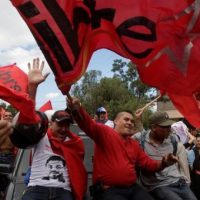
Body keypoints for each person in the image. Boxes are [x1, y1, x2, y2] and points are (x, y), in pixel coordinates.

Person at [67, 97, 178, 200]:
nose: (130, 123)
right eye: (126, 119)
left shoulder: (134, 144)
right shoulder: (105, 132)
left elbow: (148, 164)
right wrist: (77, 109)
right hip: (109, 190)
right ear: (116, 121)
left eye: (132, 121)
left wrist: (164, 162)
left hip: (132, 189)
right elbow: (88, 124)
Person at [9, 58, 87, 200]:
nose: (64, 129)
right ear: (51, 124)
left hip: (64, 192)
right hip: (37, 189)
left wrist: (77, 109)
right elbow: (28, 122)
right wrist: (32, 88)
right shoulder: (40, 136)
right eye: (60, 124)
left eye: (67, 125)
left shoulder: (75, 143)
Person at [133, 111, 197, 200]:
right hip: (158, 185)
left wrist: (186, 181)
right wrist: (137, 121)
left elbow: (183, 162)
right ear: (154, 127)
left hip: (179, 182)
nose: (169, 129)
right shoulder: (141, 140)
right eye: (165, 126)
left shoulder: (173, 140)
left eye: (170, 126)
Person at [188, 133, 200, 200]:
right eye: (198, 141)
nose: (199, 142)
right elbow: (192, 167)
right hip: (196, 178)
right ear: (195, 142)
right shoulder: (191, 152)